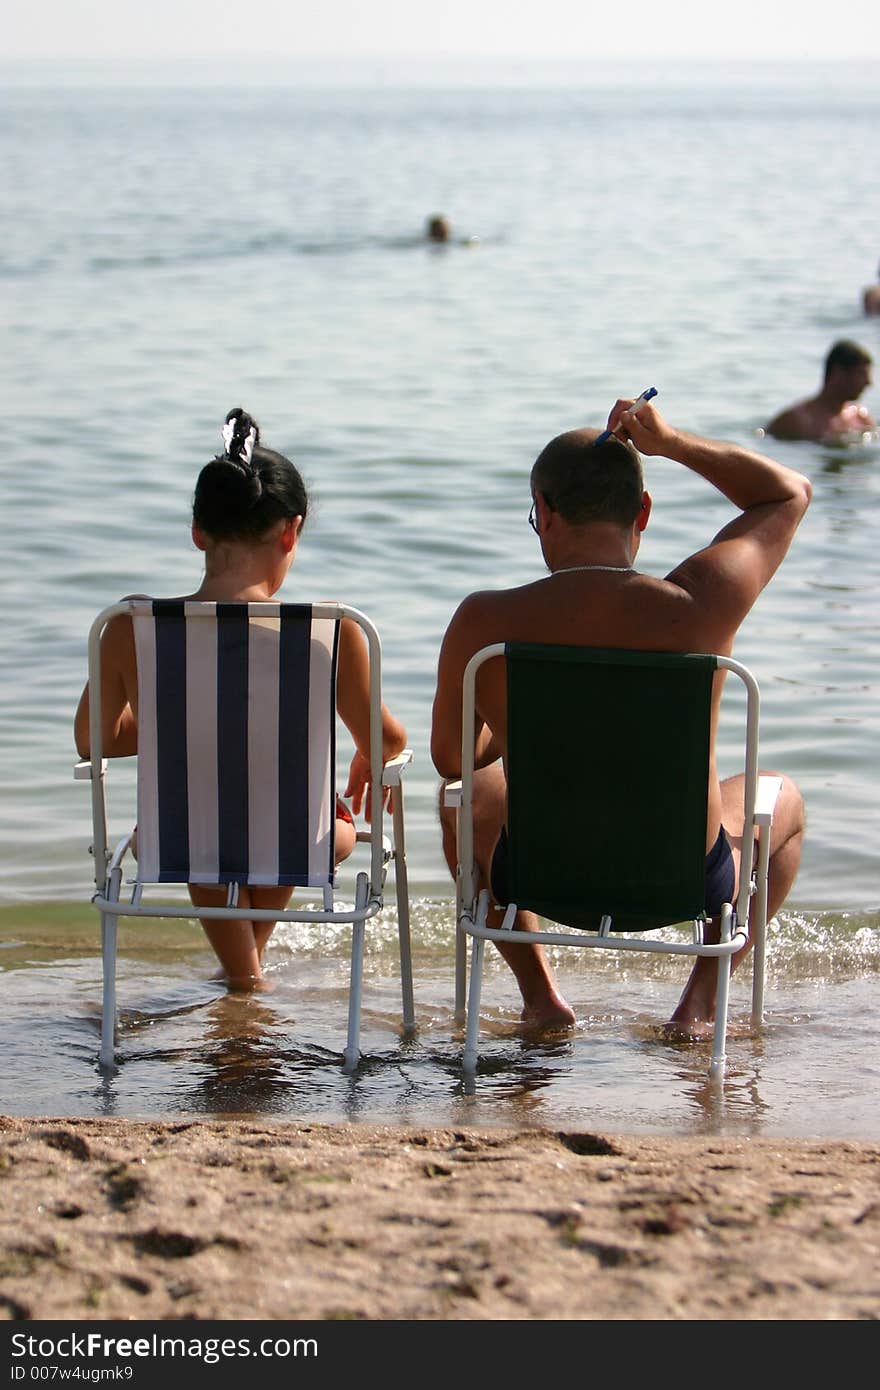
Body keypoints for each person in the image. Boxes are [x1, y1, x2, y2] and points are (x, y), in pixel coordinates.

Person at [430, 399, 812, 1037]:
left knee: (461, 800)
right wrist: (673, 444)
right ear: (643, 513)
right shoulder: (700, 604)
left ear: (544, 513)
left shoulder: (484, 621)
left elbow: (451, 760)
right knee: (787, 801)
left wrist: (510, 719)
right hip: (686, 879)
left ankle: (542, 998)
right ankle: (698, 1005)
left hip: (539, 873)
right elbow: (788, 494)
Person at [74, 408, 407, 991]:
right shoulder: (331, 631)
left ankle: (242, 977)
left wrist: (173, 719)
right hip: (293, 838)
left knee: (202, 823)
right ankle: (248, 980)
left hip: (179, 839)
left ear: (198, 531)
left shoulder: (128, 626)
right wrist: (373, 758)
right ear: (290, 532)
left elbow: (95, 739)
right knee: (323, 819)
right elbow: (387, 741)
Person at [765, 340, 876, 442]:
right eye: (861, 374)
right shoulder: (798, 421)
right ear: (838, 373)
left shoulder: (860, 417)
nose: (868, 382)